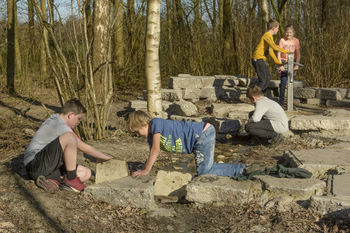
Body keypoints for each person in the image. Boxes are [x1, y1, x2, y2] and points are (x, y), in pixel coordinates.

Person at [24, 99, 113, 193]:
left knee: (86, 173)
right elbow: (82, 146)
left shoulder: (59, 121)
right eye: (79, 118)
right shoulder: (58, 124)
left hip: (49, 165)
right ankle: (70, 179)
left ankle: (52, 180)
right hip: (34, 165)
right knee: (70, 137)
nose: (79, 122)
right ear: (70, 115)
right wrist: (104, 157)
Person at [128, 110, 245, 177]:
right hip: (199, 137)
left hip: (202, 134)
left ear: (144, 124)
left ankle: (240, 171)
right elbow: (151, 154)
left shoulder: (155, 123)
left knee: (204, 172)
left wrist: (146, 170)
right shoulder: (150, 137)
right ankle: (240, 168)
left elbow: (155, 150)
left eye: (137, 131)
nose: (138, 135)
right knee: (207, 168)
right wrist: (143, 167)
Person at [252, 19, 290, 93]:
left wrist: (278, 63)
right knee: (263, 80)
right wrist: (287, 51)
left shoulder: (270, 37)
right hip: (257, 59)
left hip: (261, 59)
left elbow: (270, 51)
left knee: (268, 78)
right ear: (273, 28)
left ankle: (261, 96)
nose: (278, 30)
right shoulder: (267, 35)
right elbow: (275, 47)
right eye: (277, 28)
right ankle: (253, 96)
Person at [277, 25, 301, 105]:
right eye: (287, 32)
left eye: (290, 32)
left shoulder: (296, 41)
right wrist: (280, 65)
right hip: (284, 62)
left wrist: (296, 65)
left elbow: (298, 54)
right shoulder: (282, 40)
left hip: (292, 62)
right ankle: (281, 101)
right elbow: (278, 53)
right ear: (285, 32)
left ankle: (290, 102)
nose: (288, 34)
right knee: (283, 82)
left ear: (293, 33)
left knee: (291, 82)